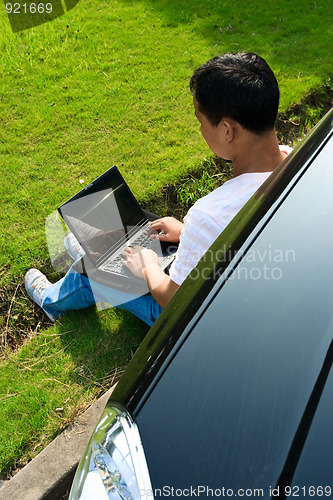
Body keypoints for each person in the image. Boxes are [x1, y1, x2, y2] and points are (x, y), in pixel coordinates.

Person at [25, 52, 292, 326]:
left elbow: (175, 304)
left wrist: (149, 267)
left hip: (201, 321)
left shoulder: (210, 214)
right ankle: (94, 250)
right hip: (252, 293)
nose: (200, 129)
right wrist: (189, 234)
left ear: (227, 130)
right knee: (147, 226)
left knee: (94, 270)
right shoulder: (300, 162)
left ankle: (51, 300)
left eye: (200, 121)